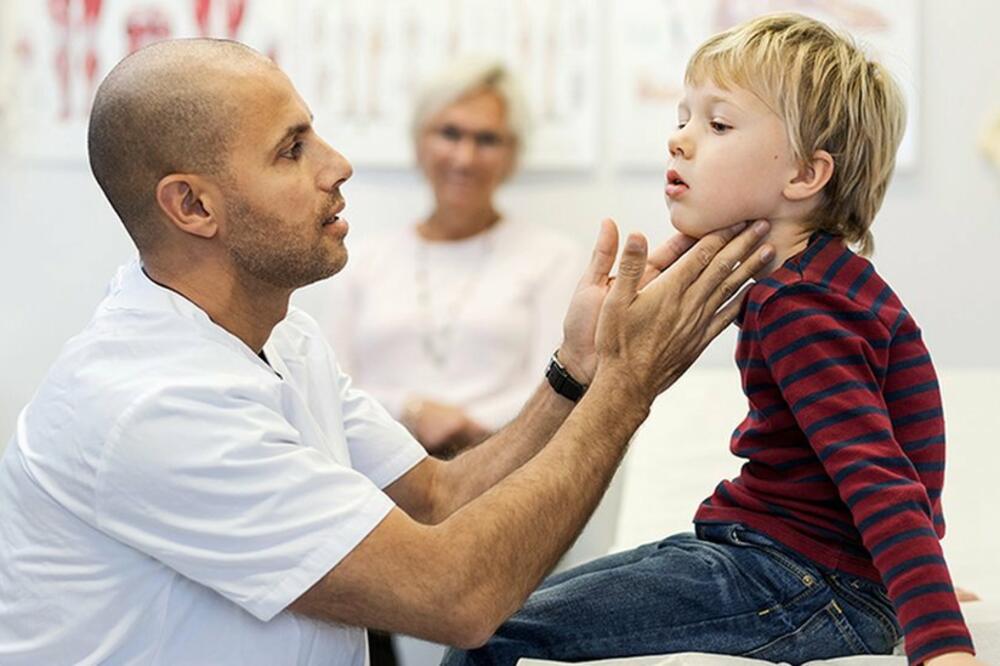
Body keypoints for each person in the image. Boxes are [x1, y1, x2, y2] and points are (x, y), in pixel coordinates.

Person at [0, 38, 775, 665]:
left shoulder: (281, 337)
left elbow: (438, 497)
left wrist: (578, 371)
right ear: (194, 205)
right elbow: (456, 597)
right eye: (292, 149)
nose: (337, 164)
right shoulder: (152, 403)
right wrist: (628, 387)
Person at [444, 13, 982, 666]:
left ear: (805, 175)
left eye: (718, 124)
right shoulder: (821, 281)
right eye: (683, 118)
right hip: (792, 563)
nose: (679, 141)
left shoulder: (800, 306)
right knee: (494, 608)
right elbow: (894, 449)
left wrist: (935, 631)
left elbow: (877, 473)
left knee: (487, 633)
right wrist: (896, 580)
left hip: (799, 579)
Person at [323, 57, 583, 457]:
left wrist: (463, 426)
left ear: (513, 153)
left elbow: (555, 388)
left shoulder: (553, 259)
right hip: (373, 475)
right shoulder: (361, 259)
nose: (465, 158)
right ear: (418, 142)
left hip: (502, 468)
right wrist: (412, 411)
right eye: (450, 133)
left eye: (487, 139)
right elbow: (329, 387)